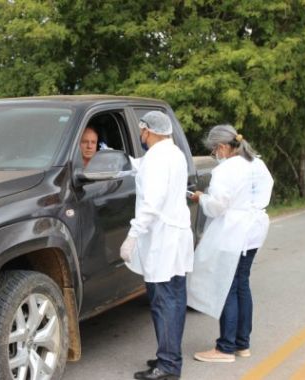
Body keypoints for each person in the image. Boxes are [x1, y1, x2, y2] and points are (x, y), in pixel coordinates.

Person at [187, 124, 274, 363]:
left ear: (224, 146)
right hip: (254, 230)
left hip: (234, 231)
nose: (216, 153)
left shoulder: (226, 170)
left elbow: (218, 206)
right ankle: (242, 344)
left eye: (215, 149)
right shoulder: (256, 162)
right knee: (241, 284)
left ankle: (225, 348)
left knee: (227, 285)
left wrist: (202, 197)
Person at [120, 111, 194, 380]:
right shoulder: (172, 153)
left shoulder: (155, 159)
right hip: (175, 237)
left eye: (141, 132)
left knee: (163, 302)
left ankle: (168, 366)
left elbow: (151, 203)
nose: (141, 137)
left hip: (162, 239)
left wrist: (132, 235)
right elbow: (154, 178)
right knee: (174, 299)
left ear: (147, 131)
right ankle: (169, 356)